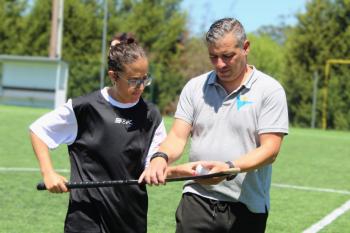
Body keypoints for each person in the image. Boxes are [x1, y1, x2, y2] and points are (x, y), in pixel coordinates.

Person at [140, 17, 289, 233]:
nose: (220, 64)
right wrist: (160, 158)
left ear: (245, 48)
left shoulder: (270, 90)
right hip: (196, 198)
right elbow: (177, 137)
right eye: (213, 57)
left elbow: (270, 150)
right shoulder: (194, 87)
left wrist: (229, 167)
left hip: (246, 207)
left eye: (227, 56)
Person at [29, 33, 166, 233]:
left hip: (130, 220)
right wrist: (48, 172)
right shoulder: (84, 108)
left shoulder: (151, 115)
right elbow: (39, 131)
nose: (141, 87)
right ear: (113, 76)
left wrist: (161, 165)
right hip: (85, 220)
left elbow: (156, 160)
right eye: (134, 80)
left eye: (145, 79)